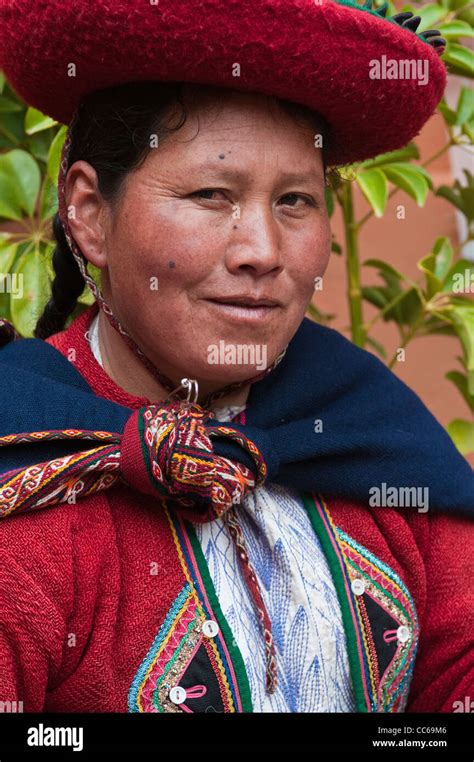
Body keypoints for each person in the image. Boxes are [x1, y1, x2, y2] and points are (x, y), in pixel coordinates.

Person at [0, 0, 472, 714]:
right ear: (90, 214)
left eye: (294, 201)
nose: (262, 252)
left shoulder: (368, 431)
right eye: (211, 193)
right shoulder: (28, 467)